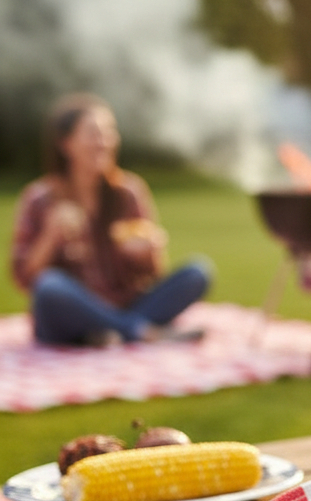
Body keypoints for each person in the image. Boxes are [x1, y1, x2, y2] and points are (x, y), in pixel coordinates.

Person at [11, 93, 212, 347]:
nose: (104, 142)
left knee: (198, 273)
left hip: (127, 301)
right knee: (50, 288)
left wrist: (146, 254)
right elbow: (25, 279)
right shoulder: (40, 199)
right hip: (69, 316)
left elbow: (155, 273)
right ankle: (139, 330)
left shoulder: (128, 193)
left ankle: (111, 331)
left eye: (109, 133)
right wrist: (51, 237)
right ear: (65, 144)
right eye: (93, 134)